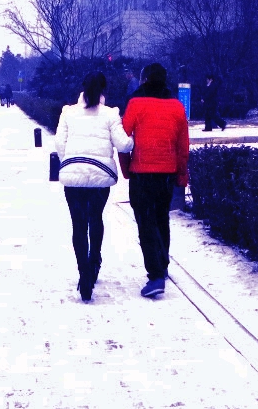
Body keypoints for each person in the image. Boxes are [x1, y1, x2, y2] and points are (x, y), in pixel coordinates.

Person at [55, 72, 134, 302]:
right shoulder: (110, 114)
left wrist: (71, 162)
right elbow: (123, 145)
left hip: (73, 177)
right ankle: (94, 261)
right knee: (95, 219)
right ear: (103, 90)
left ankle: (84, 275)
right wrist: (134, 139)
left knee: (78, 225)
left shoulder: (68, 112)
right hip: (100, 177)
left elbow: (59, 143)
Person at [121, 63, 190, 298]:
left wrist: (126, 169)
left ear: (144, 80)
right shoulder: (177, 106)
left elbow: (124, 141)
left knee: (146, 223)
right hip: (167, 173)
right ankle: (163, 263)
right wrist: (181, 173)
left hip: (142, 172)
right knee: (161, 218)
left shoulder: (135, 104)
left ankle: (156, 276)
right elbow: (183, 146)